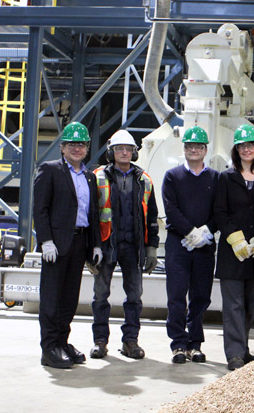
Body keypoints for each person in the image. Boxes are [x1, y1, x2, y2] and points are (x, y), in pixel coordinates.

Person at [33, 121, 102, 369]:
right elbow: (40, 209)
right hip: (57, 245)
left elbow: (92, 212)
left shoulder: (89, 177)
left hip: (80, 243)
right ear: (62, 147)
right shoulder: (49, 170)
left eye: (81, 144)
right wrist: (46, 241)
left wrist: (95, 244)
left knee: (69, 299)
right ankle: (49, 348)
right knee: (51, 298)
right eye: (72, 144)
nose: (77, 148)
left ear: (87, 148)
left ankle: (62, 342)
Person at [89, 129, 159, 360]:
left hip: (133, 246)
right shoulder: (98, 177)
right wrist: (92, 247)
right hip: (107, 245)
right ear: (111, 151)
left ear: (134, 152)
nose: (124, 153)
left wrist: (151, 248)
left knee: (134, 297)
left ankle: (130, 341)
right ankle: (100, 341)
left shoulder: (144, 180)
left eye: (128, 149)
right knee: (101, 295)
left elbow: (152, 218)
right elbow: (91, 214)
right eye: (119, 149)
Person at [214, 123, 254, 370]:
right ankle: (234, 354)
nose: (246, 149)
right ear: (236, 150)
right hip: (233, 254)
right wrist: (235, 239)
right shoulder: (226, 178)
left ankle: (244, 349)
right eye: (242, 146)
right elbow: (219, 212)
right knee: (234, 306)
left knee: (250, 303)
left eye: (250, 145)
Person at [162, 126, 220, 364]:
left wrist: (207, 231)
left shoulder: (216, 178)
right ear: (184, 149)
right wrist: (189, 232)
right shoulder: (172, 176)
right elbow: (170, 208)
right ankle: (178, 344)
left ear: (206, 150)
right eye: (189, 146)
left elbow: (220, 209)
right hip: (178, 245)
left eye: (198, 146)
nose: (193, 150)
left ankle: (194, 344)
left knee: (200, 296)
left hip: (205, 247)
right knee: (176, 295)